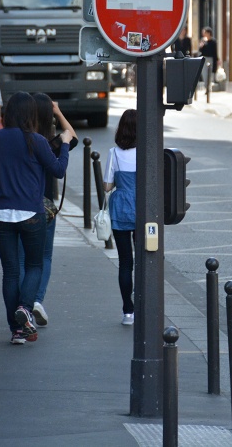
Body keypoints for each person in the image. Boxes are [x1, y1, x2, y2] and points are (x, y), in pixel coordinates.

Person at [0, 91, 72, 344]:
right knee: (35, 265)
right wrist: (66, 143)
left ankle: (16, 331)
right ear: (30, 115)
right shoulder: (36, 140)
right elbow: (58, 170)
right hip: (32, 214)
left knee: (11, 272)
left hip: (1, 213)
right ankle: (25, 308)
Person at [28, 94, 78, 326]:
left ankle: (23, 304)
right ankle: (37, 300)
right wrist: (58, 112)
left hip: (22, 205)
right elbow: (73, 137)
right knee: (44, 256)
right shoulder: (52, 143)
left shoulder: (24, 140)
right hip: (46, 207)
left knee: (21, 259)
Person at [103, 109, 137, 325]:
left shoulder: (114, 153)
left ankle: (128, 311)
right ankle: (145, 304)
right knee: (146, 260)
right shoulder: (147, 151)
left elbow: (107, 186)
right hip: (144, 210)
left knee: (126, 262)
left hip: (121, 210)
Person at [198, 26, 219, 90]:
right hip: (204, 58)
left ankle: (208, 86)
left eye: (205, 32)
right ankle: (206, 86)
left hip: (210, 58)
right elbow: (200, 50)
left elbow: (215, 52)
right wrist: (201, 46)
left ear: (209, 33)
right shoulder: (203, 40)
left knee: (209, 73)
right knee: (204, 73)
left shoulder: (213, 42)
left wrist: (217, 60)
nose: (204, 34)